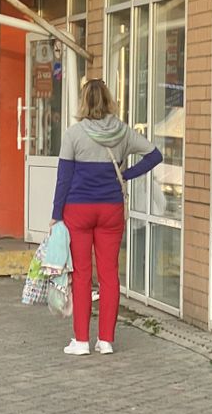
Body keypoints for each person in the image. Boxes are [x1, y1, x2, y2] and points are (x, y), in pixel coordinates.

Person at [51, 79, 162, 356]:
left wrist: (55, 215)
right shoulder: (122, 132)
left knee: (82, 274)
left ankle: (80, 341)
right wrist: (125, 175)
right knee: (110, 274)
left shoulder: (73, 134)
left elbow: (63, 179)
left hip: (78, 210)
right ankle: (106, 340)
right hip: (111, 209)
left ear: (83, 101)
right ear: (109, 100)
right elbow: (154, 155)